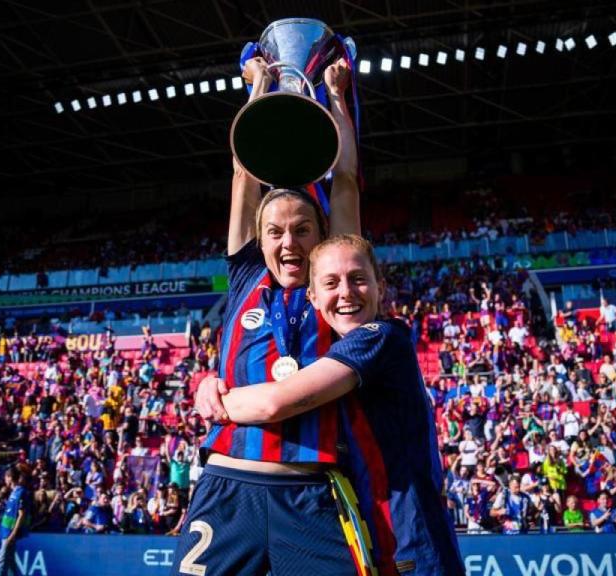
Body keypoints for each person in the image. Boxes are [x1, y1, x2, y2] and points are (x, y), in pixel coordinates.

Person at [173, 54, 365, 576]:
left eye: (303, 229)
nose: (288, 242)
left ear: (322, 236)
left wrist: (338, 99)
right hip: (227, 491)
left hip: (311, 496)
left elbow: (344, 182)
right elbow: (243, 170)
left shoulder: (334, 286)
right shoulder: (244, 280)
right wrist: (258, 85)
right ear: (260, 239)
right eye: (275, 231)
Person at [203, 235, 464, 574]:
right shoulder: (335, 354)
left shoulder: (379, 337)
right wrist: (212, 378)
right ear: (312, 297)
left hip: (412, 543)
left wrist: (213, 398)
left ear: (380, 288)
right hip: (368, 537)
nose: (345, 292)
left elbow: (273, 404)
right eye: (330, 283)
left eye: (358, 279)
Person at [0, 466, 31, 576]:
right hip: (5, 530)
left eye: (5, 478)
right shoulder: (12, 492)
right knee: (10, 562)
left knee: (2, 561)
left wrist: (13, 534)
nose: (4, 480)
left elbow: (21, 515)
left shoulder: (21, 492)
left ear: (10, 478)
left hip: (10, 533)